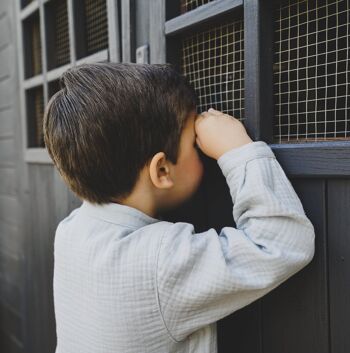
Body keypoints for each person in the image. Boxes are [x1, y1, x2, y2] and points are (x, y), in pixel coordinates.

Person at [43, 62, 315, 353]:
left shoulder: (70, 230)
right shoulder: (161, 263)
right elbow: (280, 242)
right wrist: (237, 150)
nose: (203, 148)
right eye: (194, 144)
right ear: (161, 170)